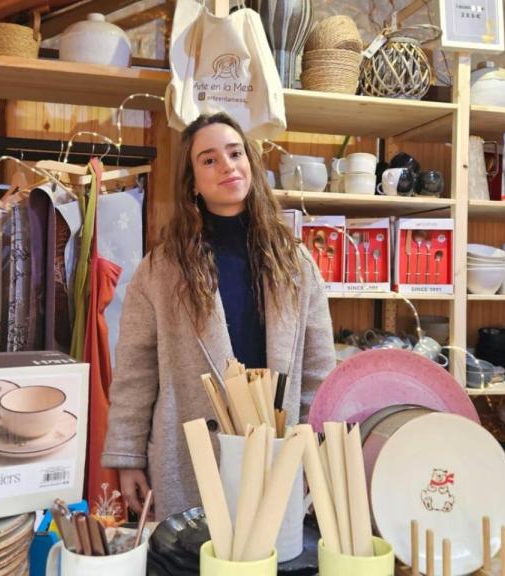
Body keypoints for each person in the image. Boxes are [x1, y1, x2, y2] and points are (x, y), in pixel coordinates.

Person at [101, 112, 335, 520]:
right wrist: (127, 457)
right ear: (192, 183)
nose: (227, 165)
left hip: (277, 450)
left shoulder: (295, 263)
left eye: (235, 153)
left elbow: (318, 371)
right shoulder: (162, 269)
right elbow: (135, 372)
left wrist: (318, 449)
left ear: (250, 163)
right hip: (190, 454)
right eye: (209, 159)